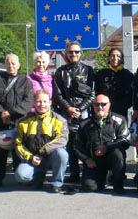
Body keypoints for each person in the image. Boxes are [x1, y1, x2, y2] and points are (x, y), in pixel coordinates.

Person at [0, 53, 34, 188]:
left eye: (13, 63)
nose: (11, 65)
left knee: (19, 152)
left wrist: (10, 113)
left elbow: (28, 102)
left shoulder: (25, 81)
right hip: (0, 124)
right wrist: (2, 113)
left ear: (18, 65)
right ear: (5, 64)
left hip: (19, 123)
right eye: (8, 63)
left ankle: (21, 177)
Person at [53, 41, 95, 183]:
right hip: (66, 112)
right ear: (66, 54)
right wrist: (69, 108)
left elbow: (92, 94)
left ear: (81, 53)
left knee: (86, 143)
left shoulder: (89, 70)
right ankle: (74, 173)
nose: (74, 54)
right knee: (70, 143)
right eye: (71, 52)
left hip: (84, 112)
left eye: (76, 52)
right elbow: (57, 95)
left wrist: (80, 108)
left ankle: (88, 173)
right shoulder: (60, 71)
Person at [14, 89, 69, 193]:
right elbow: (18, 144)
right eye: (39, 101)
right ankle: (38, 176)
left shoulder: (60, 120)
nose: (42, 104)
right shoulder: (23, 122)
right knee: (21, 176)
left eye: (45, 101)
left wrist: (42, 152)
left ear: (50, 102)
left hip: (50, 157)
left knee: (62, 154)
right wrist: (30, 157)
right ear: (34, 103)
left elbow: (62, 140)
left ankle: (57, 183)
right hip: (33, 159)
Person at [74, 94, 130, 193]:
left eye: (103, 104)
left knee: (118, 153)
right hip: (95, 161)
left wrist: (106, 146)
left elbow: (125, 140)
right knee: (89, 187)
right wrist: (86, 159)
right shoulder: (84, 124)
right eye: (97, 104)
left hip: (113, 159)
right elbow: (77, 145)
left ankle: (118, 183)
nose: (100, 107)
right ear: (93, 106)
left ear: (109, 105)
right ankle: (103, 178)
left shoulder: (120, 120)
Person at [95, 47, 133, 120]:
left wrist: (123, 106)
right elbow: (97, 91)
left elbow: (130, 94)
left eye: (118, 56)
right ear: (109, 58)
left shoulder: (127, 75)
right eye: (112, 55)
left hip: (121, 111)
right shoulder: (101, 74)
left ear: (122, 59)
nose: (115, 58)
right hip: (103, 109)